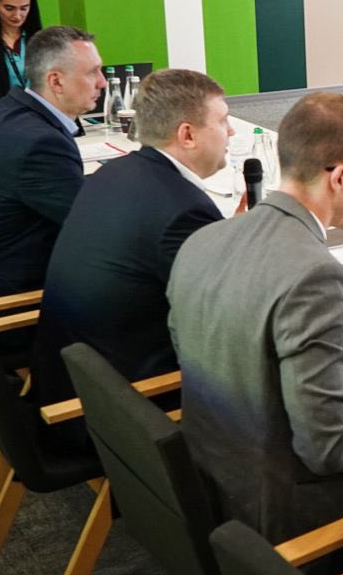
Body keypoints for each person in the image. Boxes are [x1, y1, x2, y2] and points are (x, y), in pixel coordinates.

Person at [169, 93, 343, 542]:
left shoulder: (205, 238)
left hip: (209, 476)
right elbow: (333, 449)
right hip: (285, 516)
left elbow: (200, 341)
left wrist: (320, 336)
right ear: (339, 177)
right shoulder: (318, 277)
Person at [33, 69, 231, 416]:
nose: (230, 132)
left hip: (66, 379)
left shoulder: (115, 172)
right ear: (187, 135)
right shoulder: (184, 211)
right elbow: (229, 323)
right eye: (223, 120)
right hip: (122, 411)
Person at [0, 26, 107, 298]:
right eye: (93, 72)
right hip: (13, 288)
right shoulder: (41, 144)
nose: (102, 82)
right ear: (56, 81)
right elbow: (94, 226)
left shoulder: (7, 108)